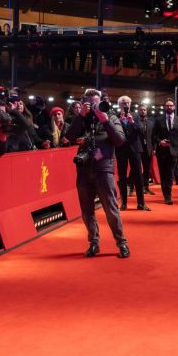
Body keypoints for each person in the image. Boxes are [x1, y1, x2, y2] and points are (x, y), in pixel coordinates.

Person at [67, 89, 130, 259]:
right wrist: (80, 116)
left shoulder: (110, 116)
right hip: (84, 170)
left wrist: (105, 121)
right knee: (86, 211)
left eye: (97, 103)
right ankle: (94, 243)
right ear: (84, 103)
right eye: (91, 103)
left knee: (111, 209)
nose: (95, 107)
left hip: (104, 170)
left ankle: (122, 243)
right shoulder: (82, 118)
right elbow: (69, 136)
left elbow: (120, 140)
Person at [115, 96, 150, 211]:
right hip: (121, 149)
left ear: (130, 104)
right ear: (119, 104)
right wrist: (120, 122)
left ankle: (141, 203)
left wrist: (132, 122)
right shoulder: (115, 116)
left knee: (138, 176)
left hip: (135, 149)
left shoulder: (136, 116)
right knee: (122, 176)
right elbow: (113, 132)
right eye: (123, 103)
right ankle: (123, 203)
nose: (125, 104)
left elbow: (141, 131)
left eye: (127, 103)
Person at [150, 99, 178, 204]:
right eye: (167, 105)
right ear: (165, 107)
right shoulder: (158, 120)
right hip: (162, 151)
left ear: (174, 107)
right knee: (163, 174)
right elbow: (153, 136)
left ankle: (168, 195)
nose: (169, 107)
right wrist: (160, 141)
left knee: (170, 173)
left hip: (174, 151)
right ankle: (166, 194)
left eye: (171, 105)